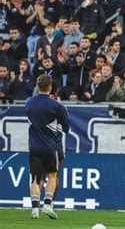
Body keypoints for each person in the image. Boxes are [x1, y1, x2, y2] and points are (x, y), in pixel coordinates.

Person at [25, 75, 70, 219]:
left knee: (35, 179)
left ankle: (34, 209)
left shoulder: (29, 102)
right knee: (52, 176)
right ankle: (48, 204)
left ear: (38, 86)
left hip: (34, 147)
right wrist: (60, 107)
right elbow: (67, 128)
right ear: (51, 87)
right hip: (51, 147)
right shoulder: (57, 106)